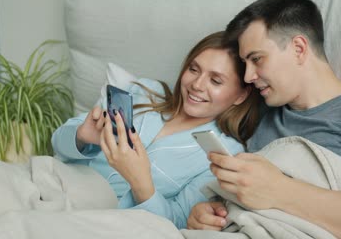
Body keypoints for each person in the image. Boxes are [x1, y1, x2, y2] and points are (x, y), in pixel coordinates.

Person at [187, 0, 341, 238]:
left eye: (257, 59)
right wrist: (208, 214)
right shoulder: (262, 115)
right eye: (245, 64)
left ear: (298, 48)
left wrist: (282, 191)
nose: (248, 77)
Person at [52, 31, 262, 229]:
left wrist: (140, 181)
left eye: (215, 80)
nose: (197, 84)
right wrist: (81, 136)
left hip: (103, 220)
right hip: (58, 184)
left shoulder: (224, 154)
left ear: (240, 96)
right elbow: (57, 143)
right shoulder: (144, 93)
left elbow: (178, 221)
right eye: (193, 69)